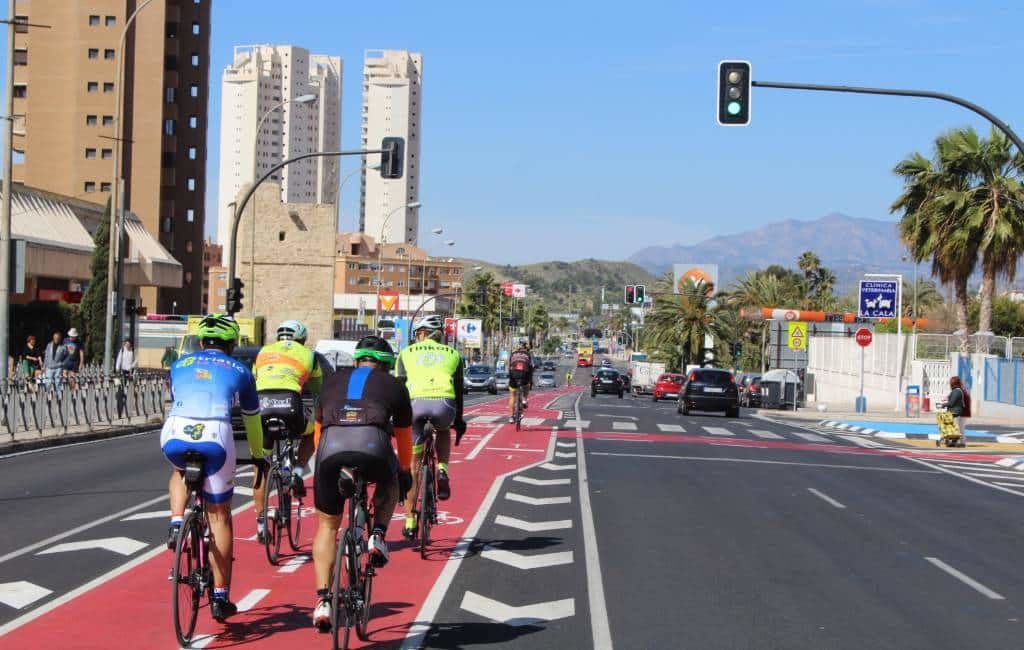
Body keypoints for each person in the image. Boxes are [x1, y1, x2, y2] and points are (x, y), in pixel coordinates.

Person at [160, 314, 264, 622]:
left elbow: (176, 396)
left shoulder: (179, 364)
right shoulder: (241, 370)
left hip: (175, 431)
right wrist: (258, 455)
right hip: (216, 435)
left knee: (180, 470)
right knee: (220, 517)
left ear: (201, 342)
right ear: (232, 344)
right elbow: (252, 419)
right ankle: (220, 596)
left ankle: (177, 522)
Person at [311, 335, 413, 631]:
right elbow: (404, 438)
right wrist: (404, 471)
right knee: (391, 476)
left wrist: (326, 466)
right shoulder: (395, 386)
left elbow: (319, 434)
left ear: (356, 360)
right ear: (387, 364)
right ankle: (378, 534)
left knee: (328, 526)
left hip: (330, 451)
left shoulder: (331, 380)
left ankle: (322, 601)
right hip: (373, 448)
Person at [395, 315, 467, 539]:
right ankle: (443, 469)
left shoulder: (405, 354)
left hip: (414, 405)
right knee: (444, 429)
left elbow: (398, 390)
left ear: (420, 334)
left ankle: (409, 520)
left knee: (413, 468)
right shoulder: (454, 354)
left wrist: (396, 421)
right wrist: (459, 420)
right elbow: (458, 391)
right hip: (444, 404)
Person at [251, 319, 323, 543]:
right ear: (301, 339)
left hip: (261, 407)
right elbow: (318, 389)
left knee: (261, 463)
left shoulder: (263, 351)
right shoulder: (309, 354)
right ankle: (298, 472)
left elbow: (256, 378)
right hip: (290, 405)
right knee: (309, 434)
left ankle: (261, 522)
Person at [507, 339, 534, 423]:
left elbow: (509, 366)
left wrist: (511, 375)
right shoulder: (528, 355)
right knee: (527, 385)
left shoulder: (513, 354)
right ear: (526, 348)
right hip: (524, 374)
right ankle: (524, 399)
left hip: (513, 374)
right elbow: (531, 367)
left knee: (512, 396)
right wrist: (531, 380)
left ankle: (511, 417)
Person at [945, 375, 969, 448]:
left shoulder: (959, 391)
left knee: (959, 427)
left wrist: (946, 403)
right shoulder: (960, 390)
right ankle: (957, 441)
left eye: (951, 383)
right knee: (959, 427)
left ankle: (961, 442)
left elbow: (955, 402)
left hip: (961, 412)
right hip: (961, 411)